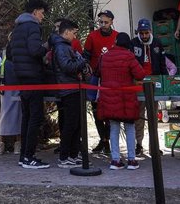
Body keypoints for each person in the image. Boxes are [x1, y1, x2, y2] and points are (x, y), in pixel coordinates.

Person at [11, 0, 50, 169]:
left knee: (26, 117)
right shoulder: (33, 26)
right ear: (34, 12)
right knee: (35, 117)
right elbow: (35, 50)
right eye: (42, 13)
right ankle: (29, 156)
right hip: (34, 77)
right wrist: (46, 48)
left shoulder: (18, 28)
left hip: (21, 77)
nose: (43, 17)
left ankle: (23, 156)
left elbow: (11, 54)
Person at [97, 32, 146, 170]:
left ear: (116, 42)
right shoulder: (129, 56)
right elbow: (140, 74)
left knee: (114, 128)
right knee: (129, 127)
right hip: (126, 98)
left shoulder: (105, 56)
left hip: (109, 97)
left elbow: (97, 72)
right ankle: (131, 160)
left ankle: (115, 160)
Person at [130, 18, 172, 157]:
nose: (144, 36)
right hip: (139, 83)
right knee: (139, 116)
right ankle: (139, 145)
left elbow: (162, 64)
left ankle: (154, 146)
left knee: (153, 116)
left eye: (146, 33)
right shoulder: (133, 43)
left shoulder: (157, 43)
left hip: (154, 83)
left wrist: (165, 81)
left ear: (150, 31)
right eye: (141, 33)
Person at [52, 19, 88, 168]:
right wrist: (81, 62)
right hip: (68, 89)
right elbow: (66, 66)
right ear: (66, 32)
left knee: (76, 124)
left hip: (74, 88)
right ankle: (64, 156)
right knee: (70, 124)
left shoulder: (65, 47)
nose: (75, 36)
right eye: (73, 33)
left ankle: (73, 154)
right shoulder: (61, 47)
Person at [83, 9, 118, 154]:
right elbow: (85, 56)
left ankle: (108, 141)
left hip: (111, 78)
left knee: (109, 111)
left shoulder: (117, 36)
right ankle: (103, 140)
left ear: (111, 22)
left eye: (106, 22)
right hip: (95, 78)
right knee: (96, 111)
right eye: (101, 22)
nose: (103, 25)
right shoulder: (92, 36)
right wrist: (87, 70)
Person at [0, 34, 21, 156]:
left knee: (18, 115)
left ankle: (18, 143)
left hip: (19, 87)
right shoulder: (3, 53)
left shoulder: (21, 53)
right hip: (6, 88)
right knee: (4, 115)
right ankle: (1, 144)